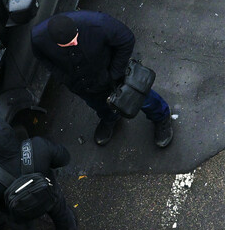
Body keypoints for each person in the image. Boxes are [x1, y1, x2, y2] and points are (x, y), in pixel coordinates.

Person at [31, 10, 173, 147]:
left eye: (76, 38)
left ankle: (161, 117)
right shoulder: (38, 38)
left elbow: (126, 39)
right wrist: (64, 78)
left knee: (142, 98)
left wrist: (115, 73)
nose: (75, 43)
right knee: (99, 105)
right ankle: (110, 119)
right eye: (68, 44)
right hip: (83, 85)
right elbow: (43, 58)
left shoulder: (98, 23)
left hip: (114, 75)